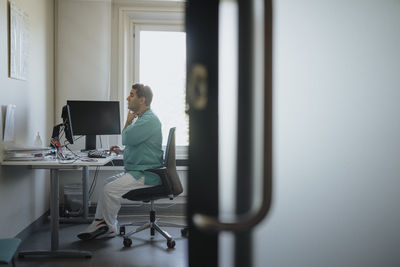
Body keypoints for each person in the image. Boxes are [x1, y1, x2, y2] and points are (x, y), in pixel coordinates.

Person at [77, 83, 163, 240]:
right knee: (106, 185)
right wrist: (122, 151)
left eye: (131, 95)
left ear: (142, 100)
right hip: (139, 170)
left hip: (146, 174)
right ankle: (100, 222)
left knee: (110, 190)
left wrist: (128, 122)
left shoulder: (148, 120)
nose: (127, 98)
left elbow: (125, 138)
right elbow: (139, 146)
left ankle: (109, 227)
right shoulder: (144, 119)